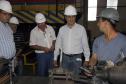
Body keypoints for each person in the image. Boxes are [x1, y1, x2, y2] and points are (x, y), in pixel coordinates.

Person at [54, 5, 90, 76]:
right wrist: (55, 58)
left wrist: (87, 59)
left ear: (75, 17)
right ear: (65, 17)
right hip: (65, 58)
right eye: (69, 17)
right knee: (65, 77)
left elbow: (85, 45)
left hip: (77, 58)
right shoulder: (62, 29)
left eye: (73, 16)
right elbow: (58, 44)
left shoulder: (81, 29)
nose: (71, 19)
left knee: (76, 77)